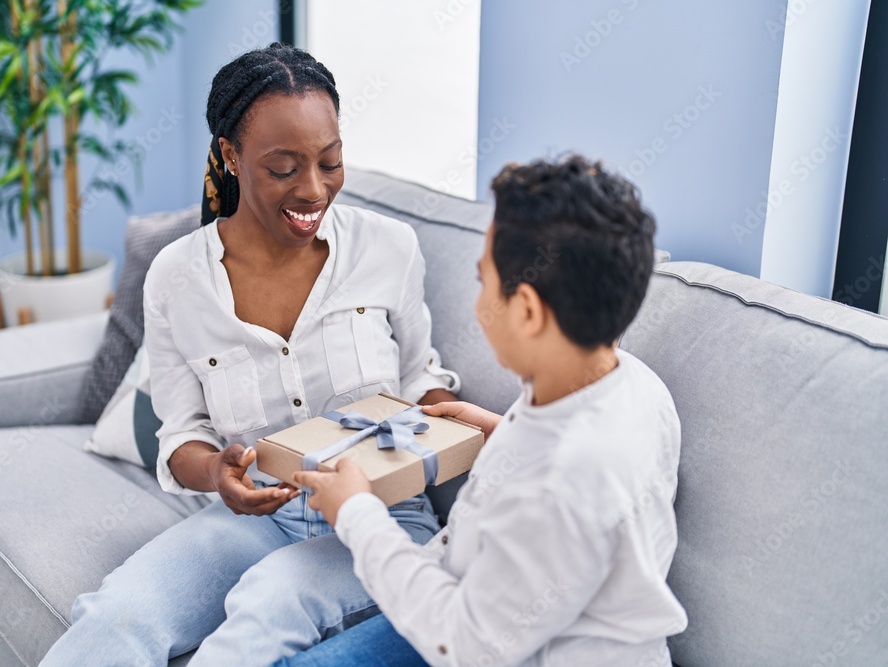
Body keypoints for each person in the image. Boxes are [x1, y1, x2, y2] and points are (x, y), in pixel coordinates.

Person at [40, 43, 460, 666]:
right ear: (232, 156)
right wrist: (218, 475)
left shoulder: (388, 247)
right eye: (284, 168)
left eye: (331, 161)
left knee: (271, 602)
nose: (314, 188)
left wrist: (447, 423)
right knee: (118, 613)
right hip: (258, 516)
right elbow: (181, 438)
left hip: (381, 521)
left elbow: (424, 381)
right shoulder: (177, 277)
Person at [289, 155, 689, 666]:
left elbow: (465, 645)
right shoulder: (630, 383)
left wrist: (355, 513)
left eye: (483, 281)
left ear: (524, 310)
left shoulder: (561, 484)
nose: (479, 304)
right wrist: (506, 436)